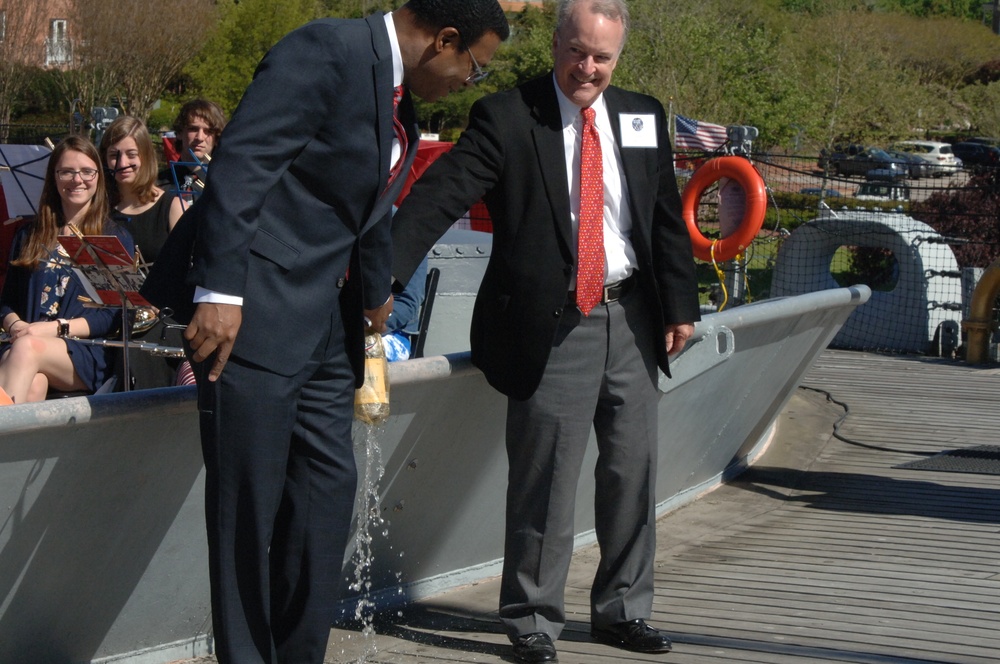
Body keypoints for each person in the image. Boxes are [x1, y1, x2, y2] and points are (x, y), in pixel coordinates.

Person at [142, 2, 510, 663]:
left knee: (324, 498)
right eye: (474, 68)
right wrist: (221, 291)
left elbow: (365, 212)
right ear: (443, 40)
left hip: (327, 329)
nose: (468, 82)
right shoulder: (324, 51)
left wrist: (375, 301)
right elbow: (244, 163)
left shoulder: (400, 101)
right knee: (247, 513)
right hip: (250, 318)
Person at [390, 1, 701, 661]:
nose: (587, 68)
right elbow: (439, 194)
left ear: (619, 58)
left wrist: (682, 306)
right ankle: (532, 619)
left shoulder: (642, 115)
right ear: (557, 42)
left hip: (634, 318)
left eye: (602, 57)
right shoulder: (506, 116)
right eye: (577, 51)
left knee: (632, 470)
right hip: (554, 323)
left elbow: (664, 216)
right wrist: (383, 275)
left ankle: (623, 611)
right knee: (547, 477)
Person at [0, 136, 134, 404]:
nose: (77, 179)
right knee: (34, 384)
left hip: (84, 350)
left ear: (98, 177)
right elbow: (6, 302)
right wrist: (15, 324)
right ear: (54, 177)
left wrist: (53, 330)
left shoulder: (113, 237)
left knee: (26, 350)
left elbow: (118, 315)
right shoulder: (29, 233)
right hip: (23, 341)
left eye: (86, 171)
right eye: (67, 171)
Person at [98, 116, 187, 389]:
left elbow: (189, 271)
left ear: (146, 156)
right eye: (114, 155)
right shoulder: (100, 209)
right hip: (112, 313)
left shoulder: (171, 205)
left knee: (137, 349)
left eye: (131, 154)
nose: (122, 163)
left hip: (164, 317)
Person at [158, 98, 227, 201]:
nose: (200, 137)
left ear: (216, 138)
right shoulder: (157, 185)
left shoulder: (225, 185)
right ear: (180, 133)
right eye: (193, 129)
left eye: (208, 131)